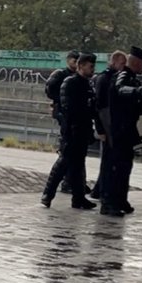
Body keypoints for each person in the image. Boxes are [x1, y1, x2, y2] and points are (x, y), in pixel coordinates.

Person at [41, 53, 97, 209]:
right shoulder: (69, 82)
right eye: (90, 66)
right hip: (72, 129)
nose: (93, 70)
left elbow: (92, 107)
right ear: (81, 66)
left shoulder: (87, 84)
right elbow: (69, 108)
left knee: (78, 164)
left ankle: (78, 198)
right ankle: (48, 194)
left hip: (83, 128)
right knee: (63, 162)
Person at [102, 46, 142, 216]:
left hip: (126, 130)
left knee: (124, 167)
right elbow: (120, 89)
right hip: (119, 130)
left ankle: (120, 199)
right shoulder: (123, 76)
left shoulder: (132, 78)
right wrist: (137, 92)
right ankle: (109, 202)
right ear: (137, 63)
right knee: (116, 167)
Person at [93, 51, 127, 204]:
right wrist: (100, 129)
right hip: (106, 123)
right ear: (113, 62)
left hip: (111, 122)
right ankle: (102, 191)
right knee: (107, 159)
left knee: (109, 158)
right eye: (121, 63)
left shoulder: (111, 78)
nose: (123, 67)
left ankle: (99, 190)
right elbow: (99, 105)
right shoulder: (105, 79)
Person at [45, 50, 79, 193]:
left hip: (73, 114)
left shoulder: (77, 77)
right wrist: (59, 101)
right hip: (63, 113)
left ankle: (74, 181)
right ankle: (67, 182)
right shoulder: (61, 75)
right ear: (68, 61)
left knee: (75, 149)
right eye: (74, 61)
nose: (76, 64)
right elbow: (49, 89)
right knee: (68, 148)